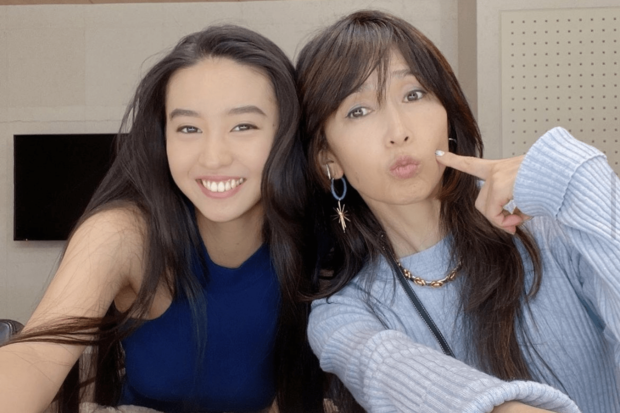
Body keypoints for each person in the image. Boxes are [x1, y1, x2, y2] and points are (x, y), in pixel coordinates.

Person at [296, 9, 619, 413]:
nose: (398, 132)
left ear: (447, 115)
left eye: (413, 94)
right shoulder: (345, 314)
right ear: (328, 157)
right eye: (358, 110)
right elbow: (392, 371)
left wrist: (575, 177)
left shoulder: (544, 222)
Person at [0, 25, 325, 413]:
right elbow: (34, 358)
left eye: (243, 126)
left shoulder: (319, 235)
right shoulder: (122, 234)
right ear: (163, 138)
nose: (213, 157)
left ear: (286, 134)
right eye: (188, 128)